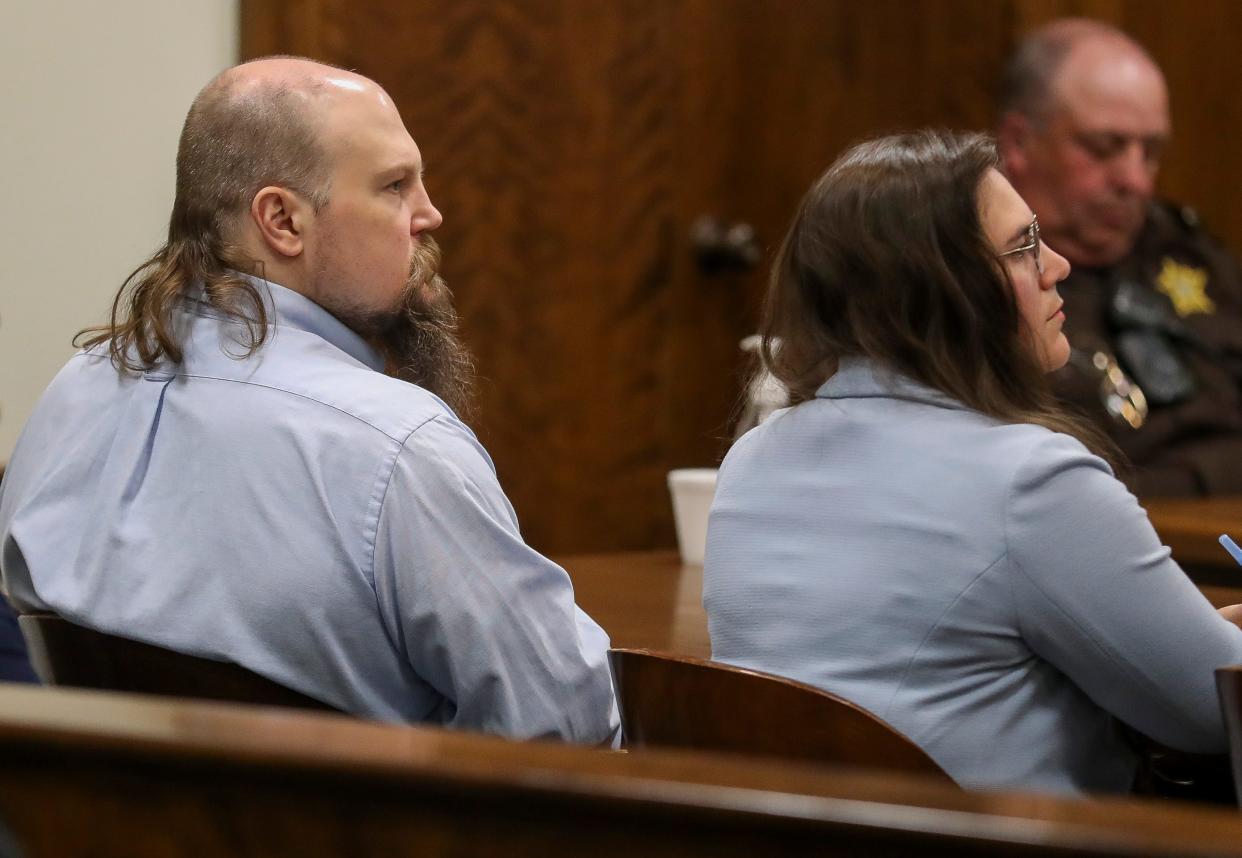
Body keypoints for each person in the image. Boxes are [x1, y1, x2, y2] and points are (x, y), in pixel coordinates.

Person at [0, 58, 617, 743]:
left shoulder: (73, 392)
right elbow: (567, 729)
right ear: (283, 221)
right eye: (393, 186)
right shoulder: (398, 447)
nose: (429, 213)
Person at [703, 130, 1242, 795]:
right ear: (939, 287)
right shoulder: (1032, 479)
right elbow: (1218, 715)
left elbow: (938, 661)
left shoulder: (753, 460)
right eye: (1023, 247)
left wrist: (1181, 633)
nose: (1057, 265)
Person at [997, 19, 1242, 496]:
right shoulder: (978, 278)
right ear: (1019, 142)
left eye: (1150, 151)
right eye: (1104, 148)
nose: (1137, 181)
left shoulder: (1183, 248)